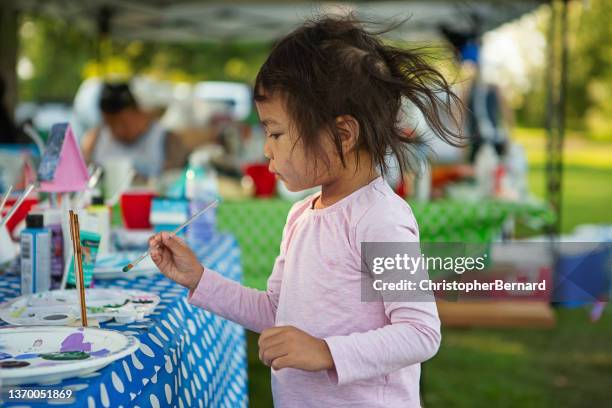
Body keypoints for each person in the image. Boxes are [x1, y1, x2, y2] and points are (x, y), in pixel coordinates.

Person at [149, 16, 461, 407]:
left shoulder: (380, 219)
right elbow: (277, 312)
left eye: (276, 133)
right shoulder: (300, 216)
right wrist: (200, 280)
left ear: (342, 134)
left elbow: (420, 331)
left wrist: (326, 351)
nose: (266, 149)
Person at [81, 82, 188, 178]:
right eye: (110, 125)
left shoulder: (167, 140)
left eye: (123, 123)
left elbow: (173, 182)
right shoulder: (94, 140)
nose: (118, 130)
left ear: (138, 112)